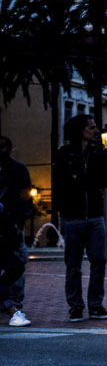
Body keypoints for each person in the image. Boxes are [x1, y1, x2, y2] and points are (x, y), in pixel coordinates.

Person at [53, 114, 107, 322]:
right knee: (73, 265)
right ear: (81, 130)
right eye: (92, 127)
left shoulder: (98, 153)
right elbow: (60, 185)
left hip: (95, 217)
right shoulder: (64, 154)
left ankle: (95, 305)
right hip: (72, 218)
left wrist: (82, 179)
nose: (96, 130)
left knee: (100, 261)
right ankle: (76, 307)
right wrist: (62, 213)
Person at [0, 134, 30, 327]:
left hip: (10, 224)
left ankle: (14, 303)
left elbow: (25, 196)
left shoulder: (18, 169)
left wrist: (20, 224)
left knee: (17, 264)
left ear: (9, 149)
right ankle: (10, 305)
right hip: (6, 222)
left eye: (3, 147)